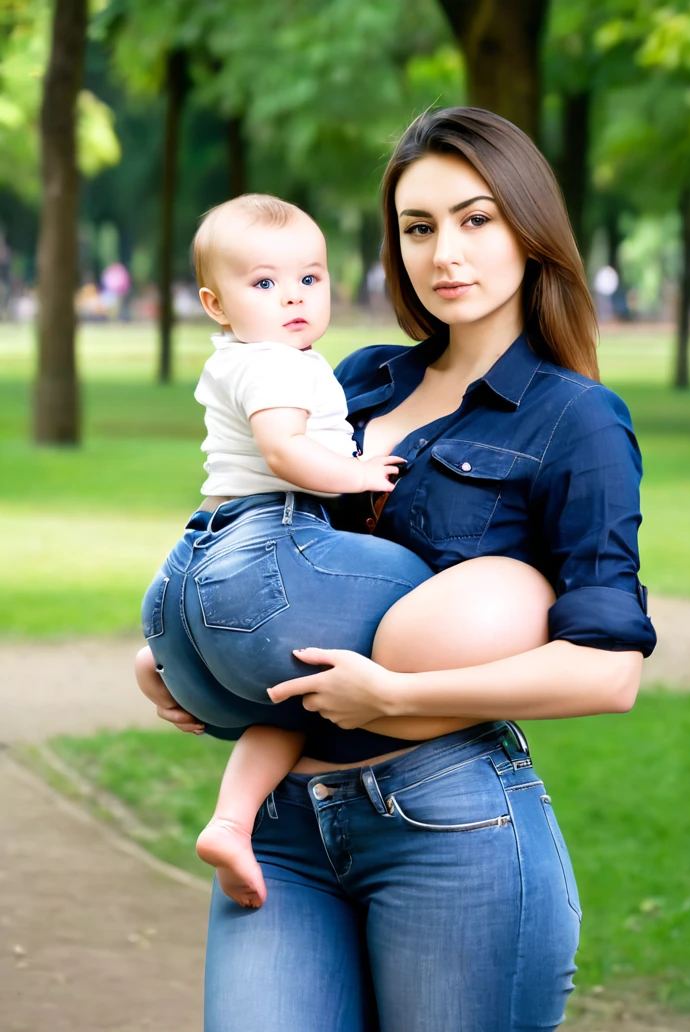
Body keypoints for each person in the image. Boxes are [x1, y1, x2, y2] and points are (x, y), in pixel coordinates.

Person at [142, 107, 656, 1032]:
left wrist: (398, 693)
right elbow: (253, 537)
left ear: (528, 231)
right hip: (280, 838)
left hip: (455, 833)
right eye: (417, 227)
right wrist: (180, 658)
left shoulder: (577, 422)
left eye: (474, 219)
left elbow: (607, 671)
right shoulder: (356, 380)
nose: (445, 253)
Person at [136, 192, 557, 909]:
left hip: (192, 571)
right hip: (272, 544)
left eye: (310, 278)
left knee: (290, 707)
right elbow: (284, 449)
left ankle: (229, 814)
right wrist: (356, 474)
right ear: (215, 301)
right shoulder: (284, 366)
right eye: (264, 284)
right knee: (433, 587)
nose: (293, 297)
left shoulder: (236, 359)